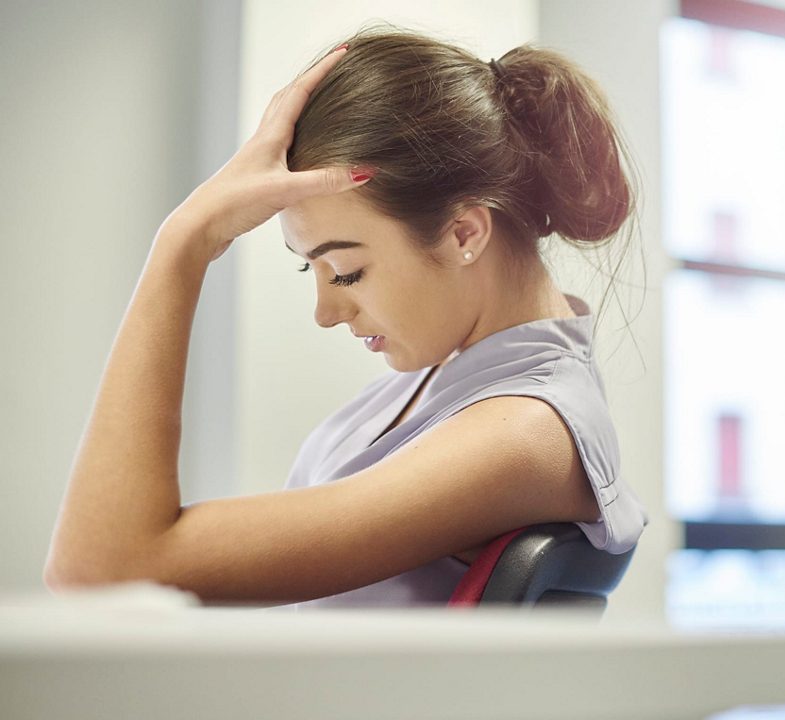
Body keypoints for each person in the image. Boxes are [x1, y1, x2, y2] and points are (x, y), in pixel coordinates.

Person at [44, 24, 648, 607]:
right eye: (314, 269)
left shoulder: (524, 432)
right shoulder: (455, 374)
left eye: (347, 271)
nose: (326, 313)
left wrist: (183, 243)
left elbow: (100, 570)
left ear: (464, 231)